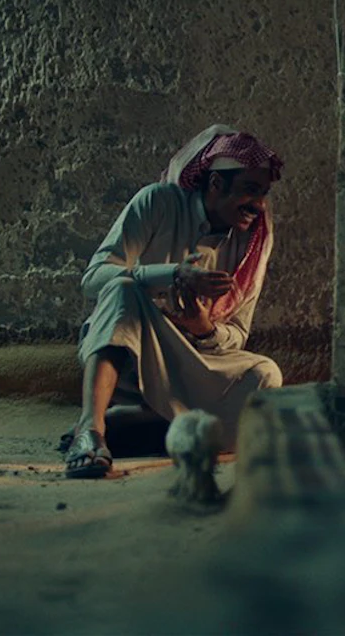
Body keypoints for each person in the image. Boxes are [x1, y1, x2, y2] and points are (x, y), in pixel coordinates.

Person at [62, 125, 285, 478]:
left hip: (195, 360)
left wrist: (203, 327)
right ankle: (91, 431)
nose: (258, 206)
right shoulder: (158, 202)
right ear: (216, 184)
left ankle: (138, 426)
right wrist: (172, 275)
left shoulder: (252, 242)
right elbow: (94, 279)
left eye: (263, 194)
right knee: (121, 288)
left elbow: (238, 334)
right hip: (135, 352)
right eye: (250, 190)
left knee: (266, 375)